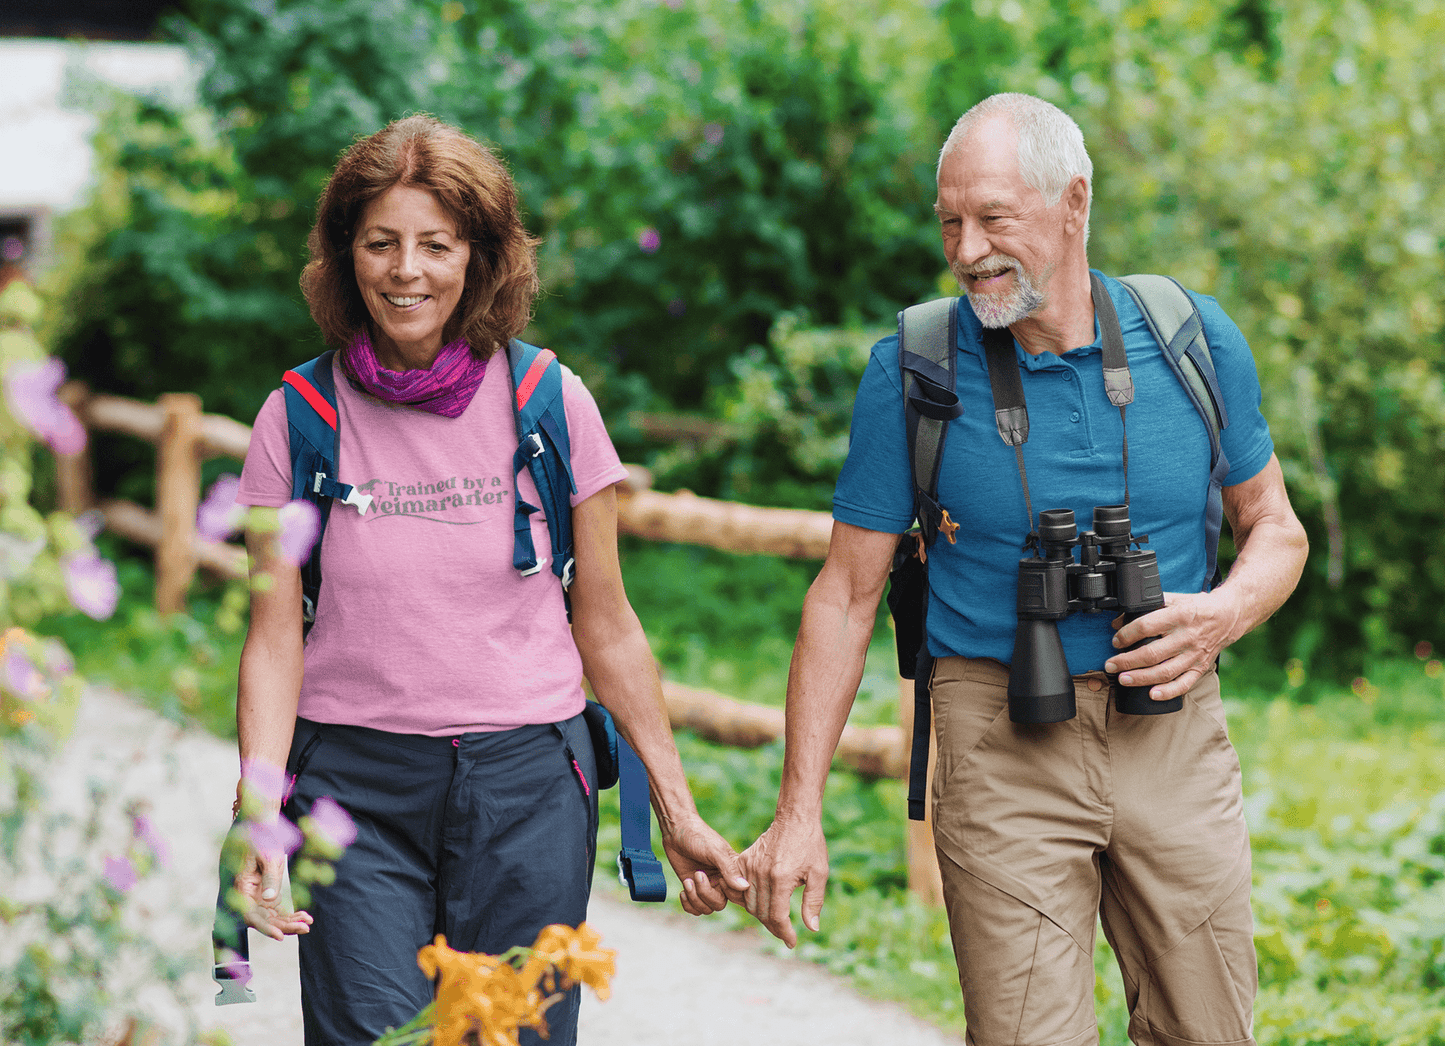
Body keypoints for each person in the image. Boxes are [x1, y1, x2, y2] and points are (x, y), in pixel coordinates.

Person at [739, 93, 1308, 1046]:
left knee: (1209, 1029)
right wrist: (799, 812)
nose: (967, 250)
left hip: (1168, 724)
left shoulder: (1192, 339)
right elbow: (843, 595)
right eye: (949, 223)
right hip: (998, 733)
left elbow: (1276, 528)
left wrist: (1221, 614)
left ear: (1073, 202)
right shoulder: (914, 369)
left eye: (993, 218)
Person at [230, 114, 747, 1046]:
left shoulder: (550, 403)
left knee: (512, 1034)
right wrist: (257, 810)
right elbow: (272, 637)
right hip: (353, 791)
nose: (406, 271)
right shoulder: (297, 417)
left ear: (480, 257)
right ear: (345, 254)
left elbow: (607, 625)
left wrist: (677, 810)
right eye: (380, 243)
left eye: (436, 244)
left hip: (527, 788)